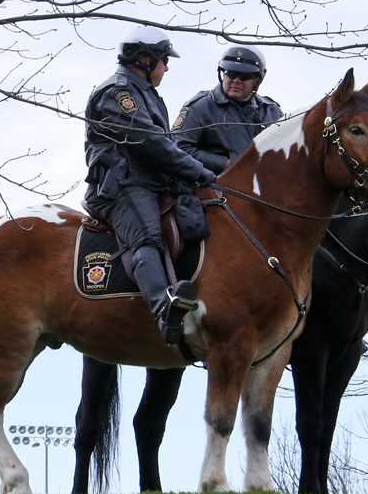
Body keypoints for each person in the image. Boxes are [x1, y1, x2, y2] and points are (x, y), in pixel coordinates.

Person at [83, 25, 216, 346]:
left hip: (152, 183)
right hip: (123, 185)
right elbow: (151, 143)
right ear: (144, 59)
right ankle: (163, 308)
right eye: (163, 60)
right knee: (147, 237)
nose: (167, 67)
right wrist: (198, 171)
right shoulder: (118, 94)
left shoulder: (146, 94)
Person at [172, 45, 283, 173]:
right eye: (231, 73)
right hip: (210, 186)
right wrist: (225, 163)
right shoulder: (200, 106)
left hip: (259, 187)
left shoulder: (271, 112)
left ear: (257, 81)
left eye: (244, 76)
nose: (236, 81)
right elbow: (178, 148)